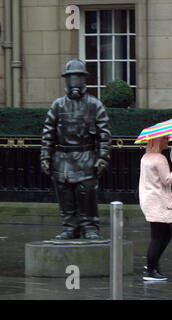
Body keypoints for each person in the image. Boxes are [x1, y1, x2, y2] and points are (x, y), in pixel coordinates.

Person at [41, 59, 112, 240]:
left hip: (86, 155)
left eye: (77, 78)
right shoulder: (58, 105)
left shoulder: (95, 105)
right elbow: (48, 133)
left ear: (83, 80)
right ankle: (70, 227)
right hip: (63, 157)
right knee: (65, 194)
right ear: (66, 80)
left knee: (86, 193)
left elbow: (104, 135)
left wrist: (103, 158)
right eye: (71, 78)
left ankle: (90, 227)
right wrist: (45, 157)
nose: (74, 82)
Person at [139, 136, 172, 281]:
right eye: (164, 139)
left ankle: (153, 263)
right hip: (157, 201)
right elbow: (166, 180)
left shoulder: (145, 157)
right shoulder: (160, 159)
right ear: (157, 142)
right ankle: (150, 270)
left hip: (149, 200)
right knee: (159, 236)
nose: (167, 142)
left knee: (166, 233)